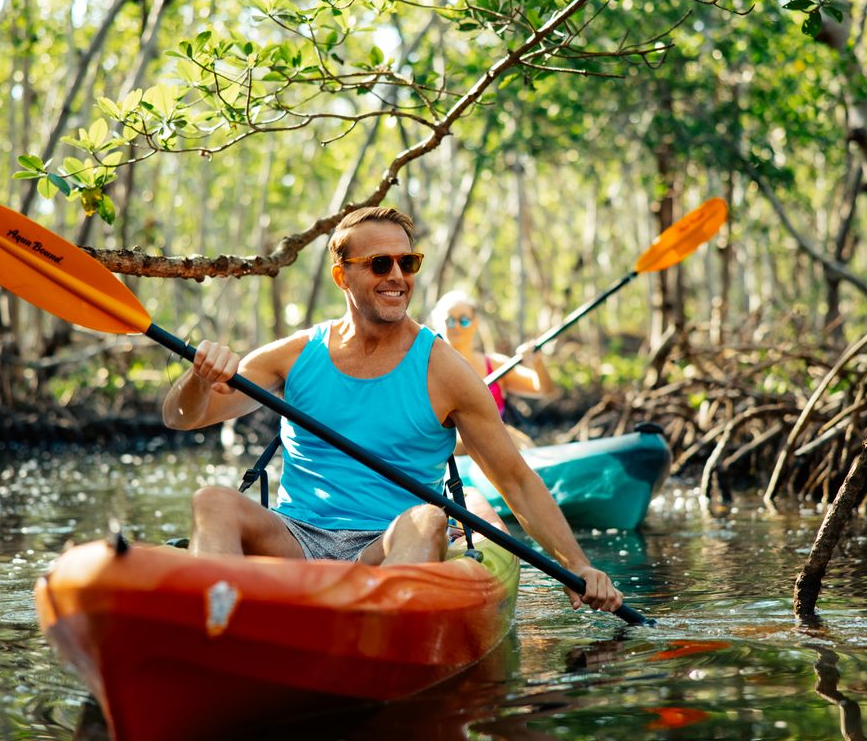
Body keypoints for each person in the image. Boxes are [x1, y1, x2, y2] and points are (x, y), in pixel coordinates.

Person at [162, 206, 621, 613]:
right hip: (294, 537)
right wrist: (197, 379)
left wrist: (579, 565)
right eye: (380, 264)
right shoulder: (297, 354)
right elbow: (181, 417)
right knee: (214, 501)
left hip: (387, 544)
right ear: (342, 276)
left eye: (408, 262)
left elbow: (517, 481)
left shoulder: (445, 371)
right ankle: (218, 624)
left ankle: (378, 630)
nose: (397, 276)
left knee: (428, 518)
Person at [431, 290, 557, 450]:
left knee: (519, 442)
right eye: (449, 321)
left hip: (496, 451)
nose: (456, 326)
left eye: (463, 320)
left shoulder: (495, 364)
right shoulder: (427, 369)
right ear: (438, 323)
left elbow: (546, 389)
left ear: (475, 322)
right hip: (453, 455)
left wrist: (537, 362)